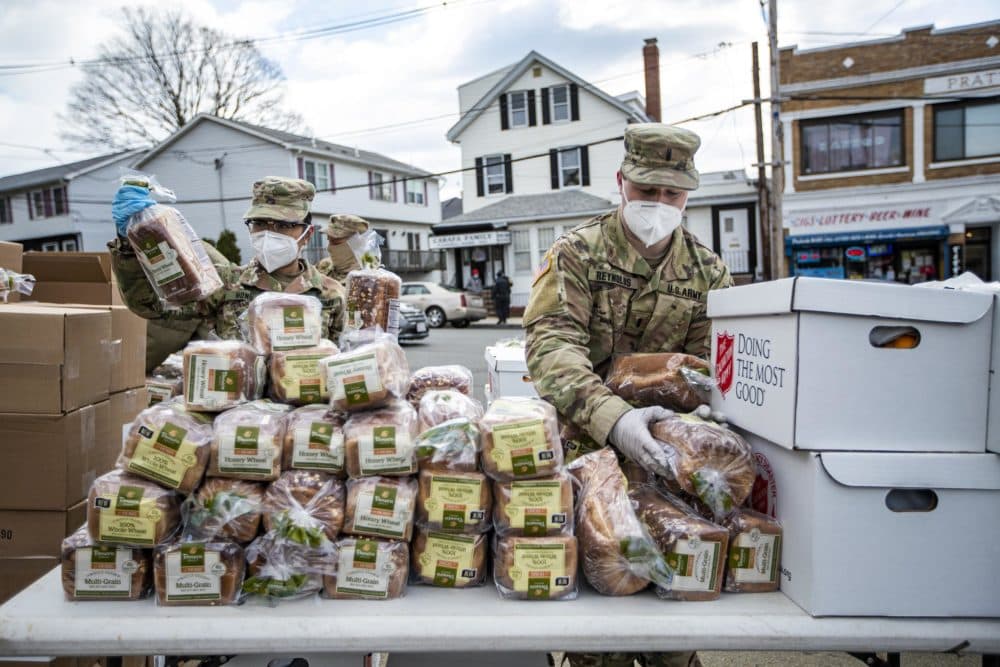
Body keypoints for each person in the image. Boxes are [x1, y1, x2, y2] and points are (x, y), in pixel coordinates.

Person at [524, 123, 733, 667]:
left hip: (671, 472)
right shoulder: (579, 254)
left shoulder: (707, 272)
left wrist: (693, 426)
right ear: (621, 182)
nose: (659, 203)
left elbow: (719, 372)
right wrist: (616, 419)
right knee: (602, 632)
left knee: (674, 636)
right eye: (647, 190)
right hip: (589, 462)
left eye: (672, 193)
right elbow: (551, 348)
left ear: (688, 194)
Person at [111, 176, 351, 360]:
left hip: (302, 417)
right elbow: (152, 307)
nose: (268, 234)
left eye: (282, 225)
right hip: (235, 414)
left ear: (307, 234)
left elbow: (344, 361)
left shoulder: (331, 294)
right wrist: (130, 244)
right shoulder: (223, 283)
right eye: (258, 223)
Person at [316, 213, 370, 284]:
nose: (329, 248)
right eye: (329, 241)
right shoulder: (324, 265)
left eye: (336, 243)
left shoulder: (370, 279)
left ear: (357, 244)